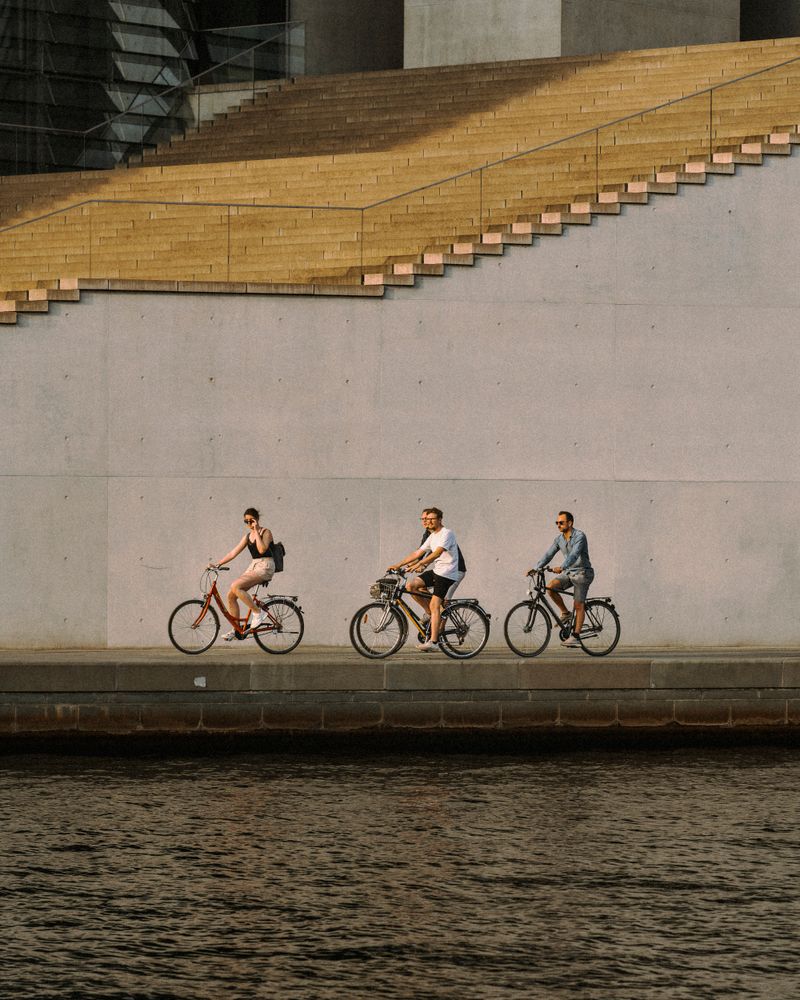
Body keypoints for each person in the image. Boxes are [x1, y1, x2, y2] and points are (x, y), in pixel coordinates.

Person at [388, 507, 462, 652]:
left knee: (435, 605)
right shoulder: (432, 536)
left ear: (440, 520)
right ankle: (431, 615)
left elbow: (436, 554)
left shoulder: (447, 533)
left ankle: (434, 641)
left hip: (447, 574)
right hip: (437, 571)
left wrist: (420, 564)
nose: (428, 521)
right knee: (411, 586)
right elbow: (418, 552)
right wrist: (399, 564)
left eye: (432, 519)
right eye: (426, 519)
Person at [529, 511, 594, 648]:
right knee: (551, 587)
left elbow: (575, 554)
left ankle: (575, 637)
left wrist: (562, 566)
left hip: (583, 573)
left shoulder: (579, 536)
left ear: (569, 523)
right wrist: (536, 568)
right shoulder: (559, 539)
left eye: (561, 522)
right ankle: (565, 613)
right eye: (557, 523)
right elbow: (548, 554)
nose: (558, 525)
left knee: (578, 604)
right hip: (570, 572)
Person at [209, 507, 276, 640]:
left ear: (256, 520)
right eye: (246, 522)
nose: (249, 524)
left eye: (251, 520)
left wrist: (256, 530)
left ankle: (258, 612)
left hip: (266, 566)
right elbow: (233, 553)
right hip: (254, 566)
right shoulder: (247, 537)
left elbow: (262, 549)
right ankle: (237, 630)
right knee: (231, 596)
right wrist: (218, 564)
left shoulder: (265, 532)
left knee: (235, 585)